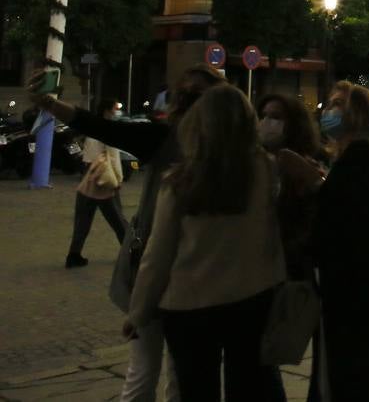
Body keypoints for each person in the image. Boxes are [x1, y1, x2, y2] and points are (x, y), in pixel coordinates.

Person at [32, 64, 224, 402]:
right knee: (146, 369)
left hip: (200, 274)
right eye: (186, 94)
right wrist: (50, 104)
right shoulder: (164, 138)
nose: (190, 101)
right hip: (154, 264)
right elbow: (101, 127)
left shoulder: (231, 151)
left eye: (199, 95)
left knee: (179, 375)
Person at [125, 84, 287, 401]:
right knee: (248, 385)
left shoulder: (180, 180)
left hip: (189, 305)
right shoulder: (264, 169)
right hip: (251, 298)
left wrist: (139, 311)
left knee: (196, 389)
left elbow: (158, 255)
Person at [285, 82, 369, 401]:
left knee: (342, 374)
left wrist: (310, 180)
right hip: (353, 288)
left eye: (337, 104)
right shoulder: (352, 156)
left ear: (357, 113)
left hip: (349, 290)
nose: (329, 111)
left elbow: (346, 212)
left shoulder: (362, 154)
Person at [257, 93, 323, 281]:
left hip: (290, 273)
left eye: (276, 117)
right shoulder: (256, 164)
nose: (266, 122)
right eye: (263, 116)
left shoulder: (304, 168)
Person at [66, 98, 128, 268]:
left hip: (89, 176)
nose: (116, 112)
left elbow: (87, 155)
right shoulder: (108, 129)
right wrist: (118, 179)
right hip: (104, 177)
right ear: (107, 110)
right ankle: (131, 252)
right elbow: (113, 157)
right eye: (115, 108)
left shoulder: (93, 127)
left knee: (83, 219)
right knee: (118, 219)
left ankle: (74, 254)